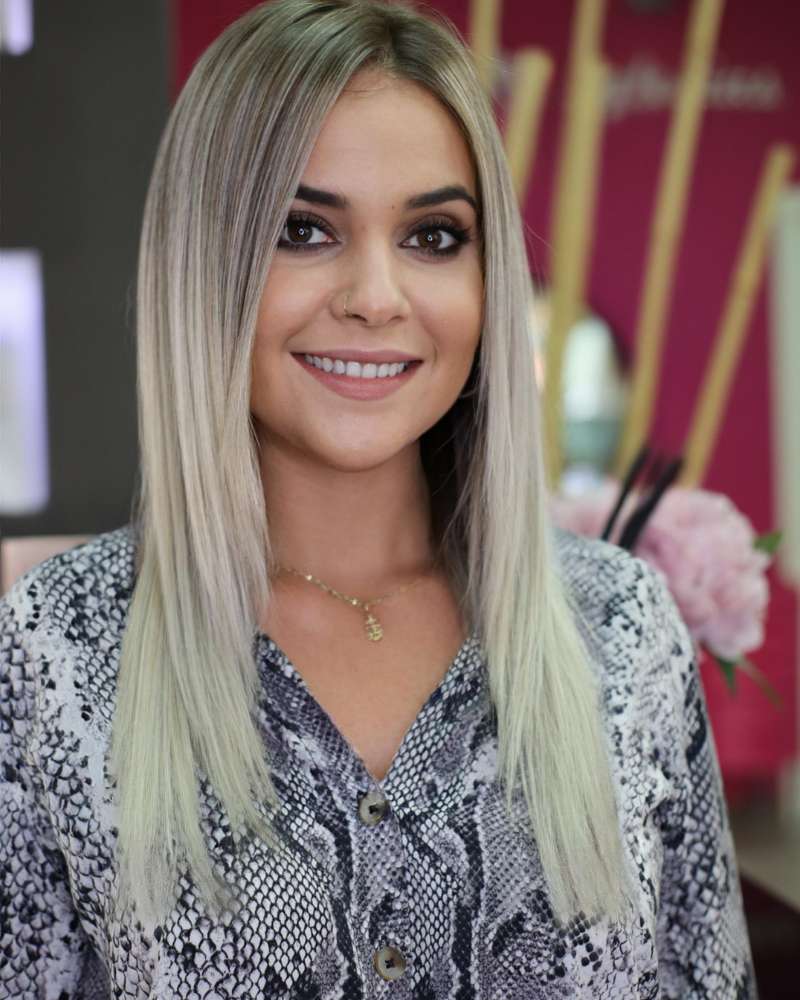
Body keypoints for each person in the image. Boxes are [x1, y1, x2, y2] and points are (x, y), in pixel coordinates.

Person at [0, 0, 757, 997]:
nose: (375, 297)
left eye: (433, 236)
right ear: (202, 261)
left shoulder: (618, 627)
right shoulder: (61, 647)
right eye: (303, 229)